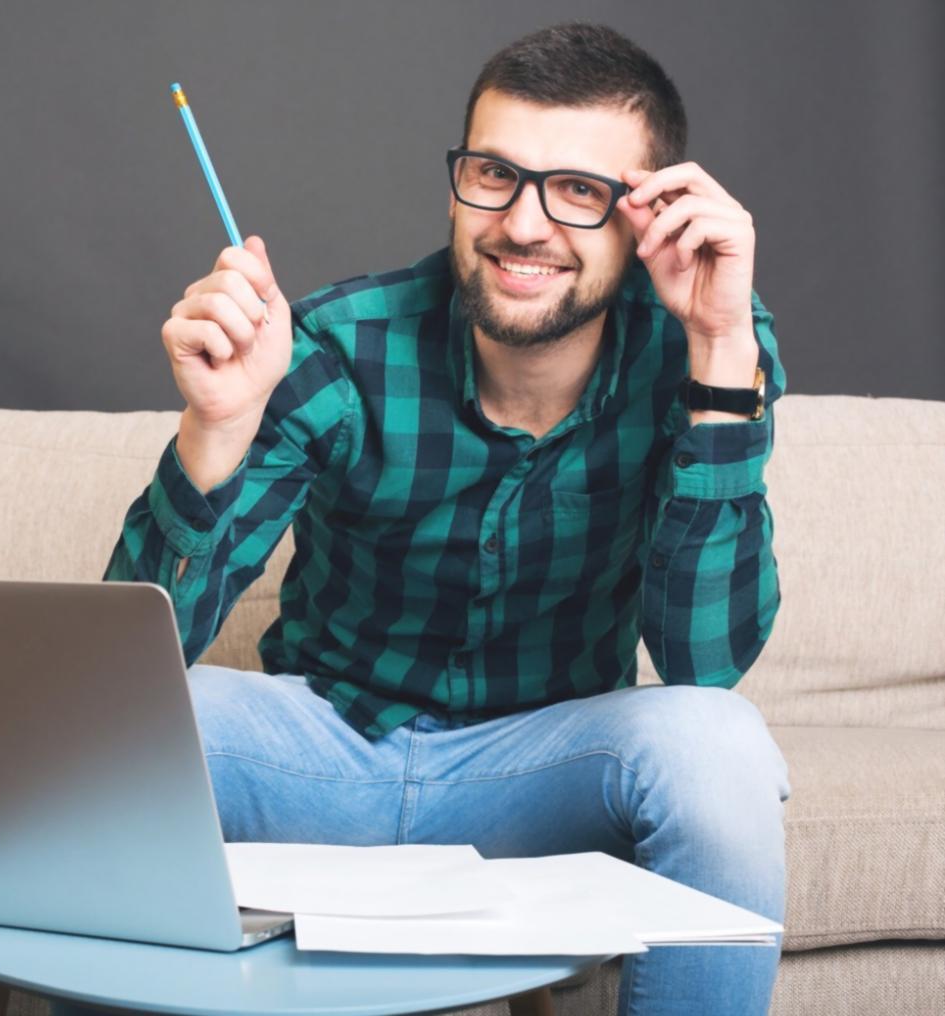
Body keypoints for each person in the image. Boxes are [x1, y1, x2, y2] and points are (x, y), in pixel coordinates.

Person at [101, 20, 790, 1016]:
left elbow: (704, 664)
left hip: (541, 777)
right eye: (493, 174)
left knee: (717, 742)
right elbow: (125, 670)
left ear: (649, 218)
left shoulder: (702, 348)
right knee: (127, 737)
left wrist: (720, 347)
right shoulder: (338, 345)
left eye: (577, 190)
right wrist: (216, 429)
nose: (522, 224)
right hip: (323, 754)